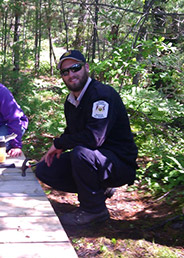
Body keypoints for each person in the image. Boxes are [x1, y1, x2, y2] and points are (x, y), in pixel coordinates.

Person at [35, 50, 138, 226]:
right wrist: (57, 147)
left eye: (75, 68)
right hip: (95, 159)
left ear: (86, 67)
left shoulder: (101, 96)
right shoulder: (71, 101)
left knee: (81, 153)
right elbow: (73, 132)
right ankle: (99, 190)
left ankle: (94, 210)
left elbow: (93, 138)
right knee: (45, 168)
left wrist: (60, 143)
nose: (71, 74)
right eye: (65, 72)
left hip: (118, 163)